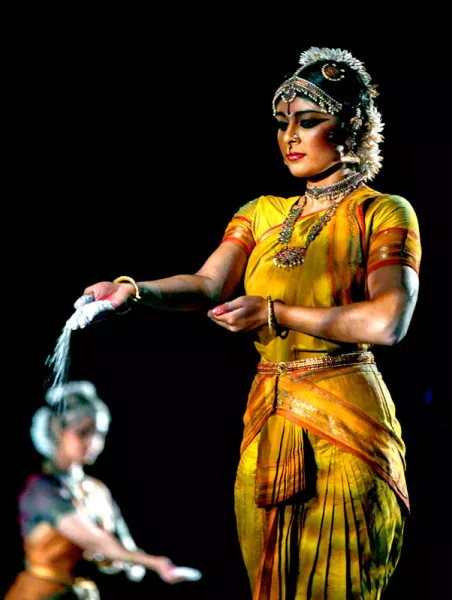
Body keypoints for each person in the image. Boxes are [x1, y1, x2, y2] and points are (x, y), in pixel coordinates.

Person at [77, 47, 421, 599]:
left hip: (345, 418)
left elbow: (387, 321)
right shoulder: (262, 213)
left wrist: (275, 312)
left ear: (352, 128)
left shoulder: (382, 212)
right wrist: (135, 291)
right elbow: (208, 285)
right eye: (283, 123)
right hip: (266, 419)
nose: (290, 136)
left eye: (309, 122)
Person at [6, 381, 198, 599]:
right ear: (58, 430)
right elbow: (94, 539)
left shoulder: (97, 490)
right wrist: (153, 562)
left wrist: (125, 561)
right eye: (82, 432)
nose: (93, 442)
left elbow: (119, 547)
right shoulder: (41, 489)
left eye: (99, 433)